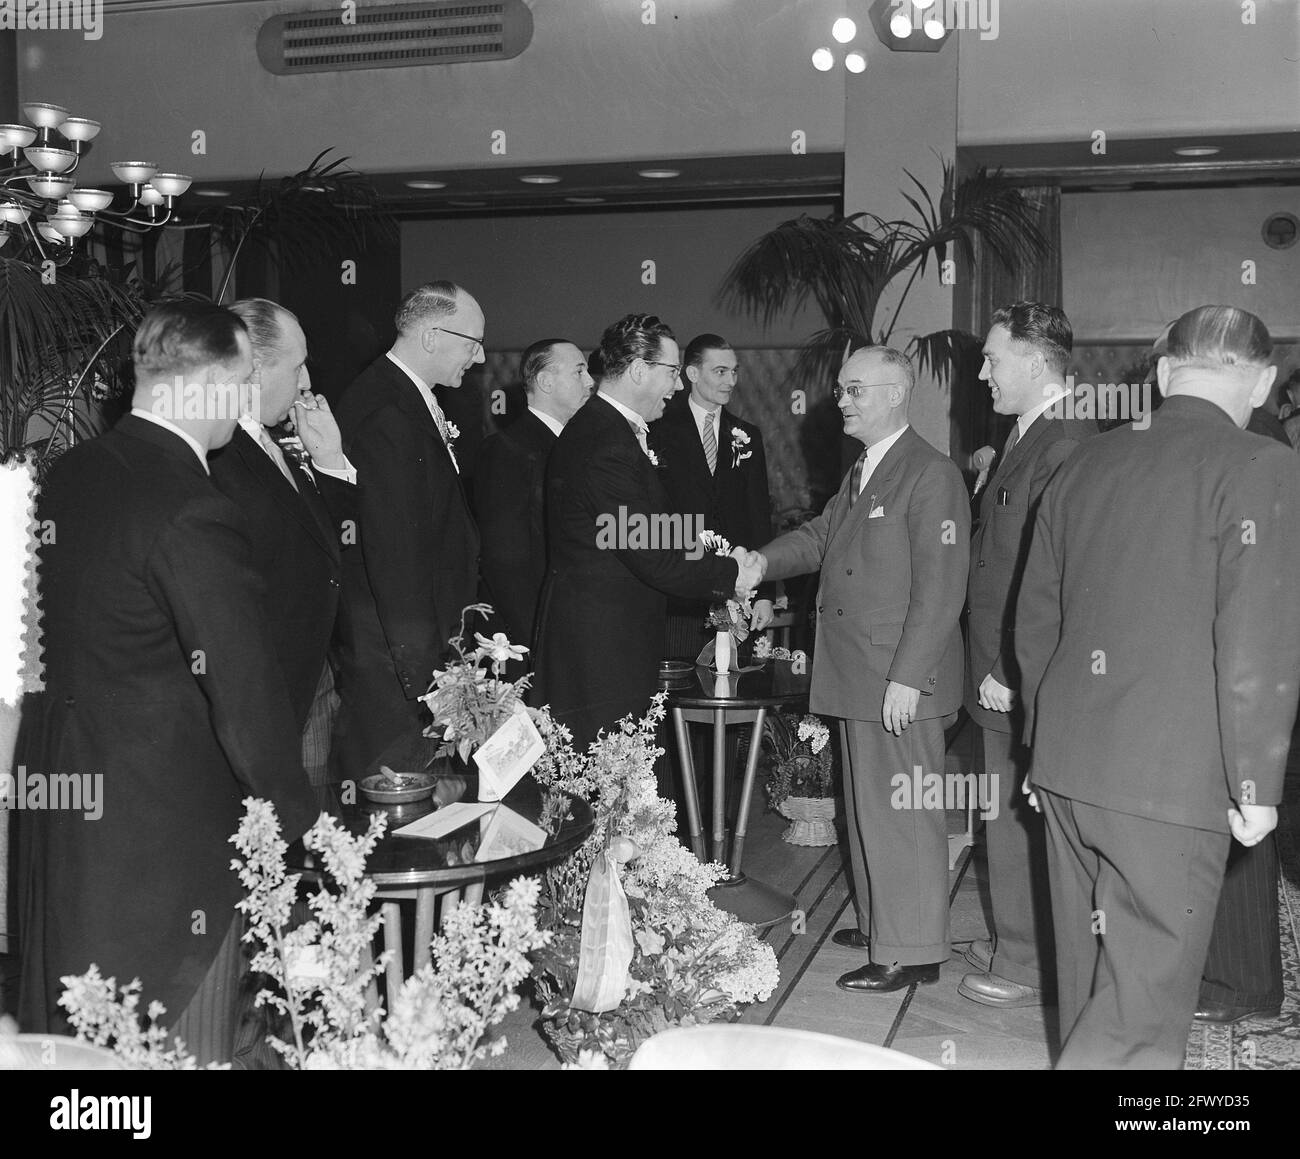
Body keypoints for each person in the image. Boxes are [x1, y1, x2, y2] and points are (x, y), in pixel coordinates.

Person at [17, 299, 317, 1065]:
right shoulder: (193, 506)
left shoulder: (71, 474)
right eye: (247, 380)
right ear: (214, 379)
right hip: (165, 843)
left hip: (65, 813)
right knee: (176, 1046)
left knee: (83, 1054)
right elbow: (246, 696)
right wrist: (302, 829)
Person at [1017, 305, 1300, 1069]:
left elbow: (1036, 618)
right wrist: (1256, 782)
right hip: (1171, 784)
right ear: (1264, 380)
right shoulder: (1262, 463)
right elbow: (1256, 634)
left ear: (1164, 371)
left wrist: (1041, 748)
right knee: (1138, 1016)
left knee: (1088, 984)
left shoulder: (1082, 460)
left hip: (1070, 764)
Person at [751, 346, 970, 993]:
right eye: (842, 390)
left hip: (896, 679)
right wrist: (758, 563)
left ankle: (913, 949)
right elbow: (819, 538)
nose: (841, 401)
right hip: (859, 673)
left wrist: (909, 675)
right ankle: (885, 924)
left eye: (854, 390)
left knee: (901, 814)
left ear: (896, 393)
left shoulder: (930, 473)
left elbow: (941, 586)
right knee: (868, 808)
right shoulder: (866, 470)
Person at [533, 314, 762, 749]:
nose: (677, 387)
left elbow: (642, 528)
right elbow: (649, 551)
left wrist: (712, 549)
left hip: (612, 637)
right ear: (639, 370)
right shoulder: (605, 443)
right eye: (672, 373)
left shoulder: (612, 430)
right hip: (598, 647)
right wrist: (730, 573)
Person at [959, 302, 1096, 1009]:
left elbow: (1054, 574)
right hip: (995, 662)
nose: (982, 373)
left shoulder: (1066, 441)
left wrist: (1013, 669)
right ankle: (1018, 940)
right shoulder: (1025, 435)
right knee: (1003, 815)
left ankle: (1025, 961)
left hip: (1017, 671)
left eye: (993, 358)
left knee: (1019, 819)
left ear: (1038, 363)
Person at [332, 281, 483, 778]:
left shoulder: (405, 398)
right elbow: (396, 554)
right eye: (471, 343)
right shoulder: (387, 412)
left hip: (414, 654)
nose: (479, 358)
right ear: (431, 336)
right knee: (398, 809)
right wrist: (431, 680)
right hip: (396, 665)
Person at [210, 299, 355, 804]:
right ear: (253, 366)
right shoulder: (214, 451)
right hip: (265, 692)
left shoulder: (272, 440)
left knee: (311, 839)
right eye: (297, 366)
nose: (307, 381)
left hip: (310, 676)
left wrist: (330, 461)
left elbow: (326, 545)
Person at [649, 333, 776, 659]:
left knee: (731, 684)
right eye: (720, 371)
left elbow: (759, 514)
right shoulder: (657, 428)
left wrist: (764, 593)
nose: (730, 380)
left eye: (734, 372)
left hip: (737, 591)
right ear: (692, 374)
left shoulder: (747, 435)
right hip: (677, 590)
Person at [474, 339, 592, 653]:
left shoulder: (573, 446)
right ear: (545, 381)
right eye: (579, 372)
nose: (591, 382)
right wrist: (540, 638)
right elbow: (505, 558)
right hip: (528, 636)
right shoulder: (507, 451)